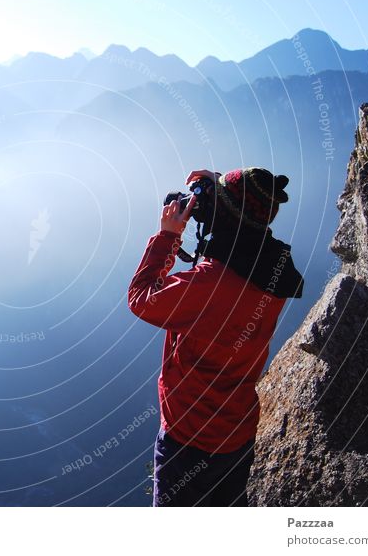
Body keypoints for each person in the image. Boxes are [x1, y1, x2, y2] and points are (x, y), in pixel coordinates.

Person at [128, 167, 304, 506]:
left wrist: (168, 235)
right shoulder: (274, 271)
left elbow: (140, 298)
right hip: (237, 433)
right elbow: (249, 224)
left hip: (187, 438)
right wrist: (221, 185)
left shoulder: (205, 287)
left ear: (223, 214)